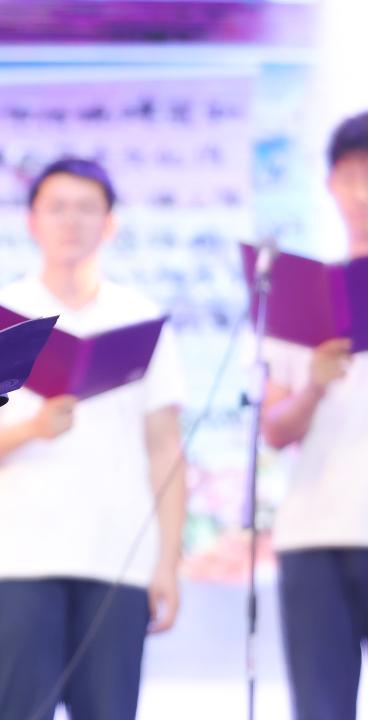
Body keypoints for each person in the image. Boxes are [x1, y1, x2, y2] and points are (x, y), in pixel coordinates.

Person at [0, 158, 188, 720]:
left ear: (110, 223)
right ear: (32, 221)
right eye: (57, 208)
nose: (72, 221)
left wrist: (167, 561)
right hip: (16, 560)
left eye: (87, 209)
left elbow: (166, 448)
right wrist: (34, 428)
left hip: (117, 562)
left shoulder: (140, 318)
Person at [262, 110, 368, 720]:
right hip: (314, 533)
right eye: (351, 177)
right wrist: (315, 387)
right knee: (322, 708)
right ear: (330, 185)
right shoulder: (304, 292)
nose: (363, 193)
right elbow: (275, 429)